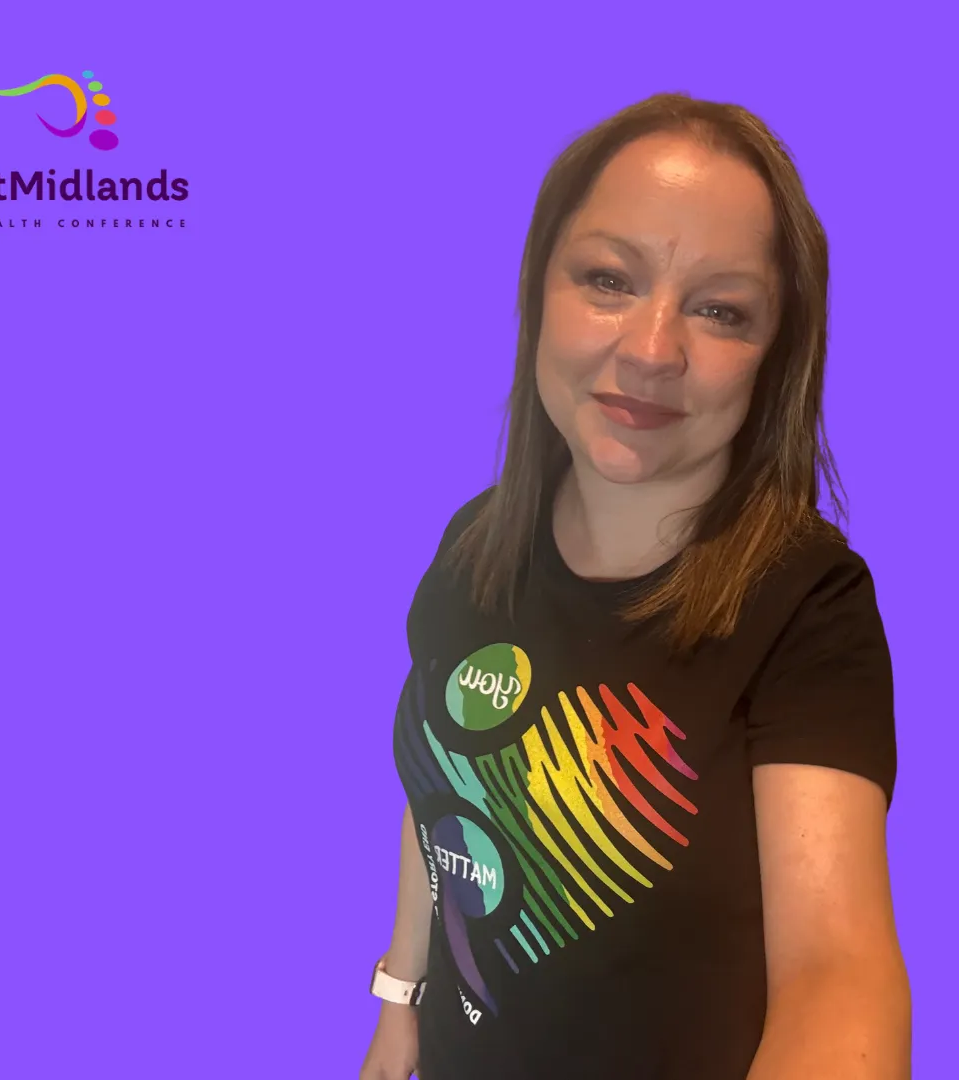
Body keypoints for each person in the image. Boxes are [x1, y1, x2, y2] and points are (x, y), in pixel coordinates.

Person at [358, 92, 911, 1080]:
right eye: (609, 279)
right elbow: (447, 793)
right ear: (539, 290)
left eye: (720, 309)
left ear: (776, 354)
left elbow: (839, 975)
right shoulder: (476, 546)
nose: (654, 350)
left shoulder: (809, 607)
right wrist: (401, 997)